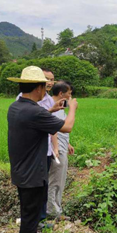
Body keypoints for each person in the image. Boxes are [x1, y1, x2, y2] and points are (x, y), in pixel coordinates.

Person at [7, 66, 78, 233]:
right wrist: (71, 108)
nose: (46, 91)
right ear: (38, 88)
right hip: (33, 174)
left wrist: (50, 111)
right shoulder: (35, 112)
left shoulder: (17, 107)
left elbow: (34, 121)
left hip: (21, 172)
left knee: (31, 214)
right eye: (44, 88)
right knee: (30, 220)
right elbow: (67, 127)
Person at [17, 68, 55, 226]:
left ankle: (40, 218)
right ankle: (30, 221)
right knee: (30, 188)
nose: (49, 83)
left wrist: (56, 147)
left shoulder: (49, 100)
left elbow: (52, 126)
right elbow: (31, 119)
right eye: (46, 79)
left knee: (43, 186)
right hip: (30, 152)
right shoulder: (21, 101)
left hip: (45, 150)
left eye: (52, 79)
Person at [47, 81, 75, 220]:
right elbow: (52, 130)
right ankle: (53, 212)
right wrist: (56, 148)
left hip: (62, 148)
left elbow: (61, 128)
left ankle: (56, 209)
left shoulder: (59, 107)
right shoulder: (51, 106)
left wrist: (68, 143)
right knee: (55, 181)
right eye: (69, 93)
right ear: (61, 93)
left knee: (60, 180)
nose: (70, 97)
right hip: (57, 151)